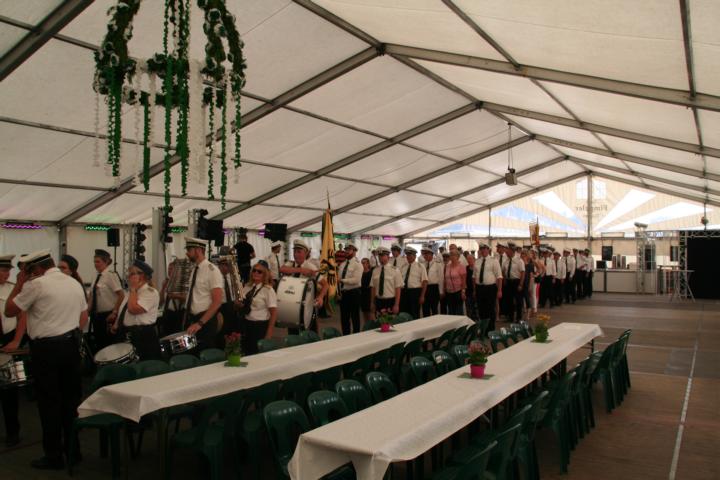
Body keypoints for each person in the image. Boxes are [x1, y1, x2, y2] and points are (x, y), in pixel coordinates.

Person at [4, 250, 88, 470]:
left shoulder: (37, 285)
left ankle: (53, 456)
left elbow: (10, 310)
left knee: (49, 403)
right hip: (70, 346)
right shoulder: (73, 283)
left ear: (36, 268)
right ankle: (74, 451)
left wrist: (19, 284)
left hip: (47, 350)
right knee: (71, 402)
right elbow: (83, 314)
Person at [110, 260, 161, 361]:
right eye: (130, 274)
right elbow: (123, 310)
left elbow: (132, 309)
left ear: (142, 276)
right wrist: (117, 324)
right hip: (128, 333)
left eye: (132, 274)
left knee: (144, 364)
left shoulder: (150, 292)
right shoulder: (131, 292)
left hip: (143, 335)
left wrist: (133, 289)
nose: (129, 277)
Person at [0, 254, 26, 448]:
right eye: (3, 271)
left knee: (10, 389)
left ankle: (13, 432)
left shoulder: (13, 289)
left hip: (8, 339)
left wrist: (17, 340)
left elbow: (22, 316)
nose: (6, 274)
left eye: (8, 271)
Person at [184, 238, 224, 351]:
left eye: (189, 250)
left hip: (205, 321)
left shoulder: (212, 271)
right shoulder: (195, 269)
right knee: (192, 354)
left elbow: (217, 302)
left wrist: (200, 323)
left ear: (198, 250)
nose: (187, 253)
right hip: (192, 318)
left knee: (204, 353)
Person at [280, 240, 327, 333]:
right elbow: (282, 269)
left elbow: (325, 284)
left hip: (307, 306)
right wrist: (301, 270)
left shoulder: (311, 266)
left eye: (299, 252)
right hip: (292, 305)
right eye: (294, 251)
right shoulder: (290, 264)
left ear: (306, 253)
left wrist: (320, 297)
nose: (296, 254)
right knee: (293, 333)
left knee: (310, 333)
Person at [87, 249, 124, 353]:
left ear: (106, 262)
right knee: (99, 344)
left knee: (108, 344)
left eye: (98, 261)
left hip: (108, 315)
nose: (95, 264)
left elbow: (121, 295)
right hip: (97, 315)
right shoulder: (96, 275)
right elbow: (92, 295)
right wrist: (87, 311)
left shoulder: (110, 275)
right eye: (94, 262)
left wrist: (114, 312)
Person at [239, 260, 277, 355]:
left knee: (257, 354)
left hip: (260, 327)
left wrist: (269, 333)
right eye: (254, 270)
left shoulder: (268, 290)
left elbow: (274, 313)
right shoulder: (247, 287)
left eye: (259, 272)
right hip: (246, 324)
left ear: (264, 275)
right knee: (246, 353)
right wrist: (238, 304)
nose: (256, 273)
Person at [474, 243, 502, 333]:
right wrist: (474, 290)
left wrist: (499, 290)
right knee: (481, 310)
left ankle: (491, 330)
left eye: (484, 249)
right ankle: (483, 329)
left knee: (490, 309)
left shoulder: (494, 261)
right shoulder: (477, 261)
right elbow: (474, 277)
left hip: (490, 288)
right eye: (481, 249)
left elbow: (499, 277)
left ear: (488, 250)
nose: (483, 250)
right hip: (479, 288)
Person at [370, 246, 403, 317]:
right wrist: (372, 302)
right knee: (379, 321)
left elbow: (398, 289)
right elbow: (373, 288)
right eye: (379, 255)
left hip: (390, 301)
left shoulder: (395, 270)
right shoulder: (375, 270)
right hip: (378, 301)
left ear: (388, 256)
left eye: (382, 255)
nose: (380, 257)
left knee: (390, 322)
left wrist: (396, 304)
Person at [337, 243, 363, 335]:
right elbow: (338, 279)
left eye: (349, 250)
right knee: (344, 318)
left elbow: (356, 280)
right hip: (343, 294)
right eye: (346, 250)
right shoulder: (342, 264)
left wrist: (342, 281)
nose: (347, 252)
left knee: (355, 317)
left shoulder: (358, 264)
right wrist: (338, 292)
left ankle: (356, 337)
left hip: (354, 293)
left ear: (354, 251)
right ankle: (345, 336)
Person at [399, 246, 427, 320]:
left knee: (414, 313)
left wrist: (422, 296)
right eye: (407, 255)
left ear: (415, 256)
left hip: (415, 292)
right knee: (404, 313)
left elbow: (424, 282)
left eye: (410, 255)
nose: (408, 257)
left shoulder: (420, 266)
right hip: (404, 292)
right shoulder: (403, 267)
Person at [159, 259, 186, 336]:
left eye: (171, 269)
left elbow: (187, 298)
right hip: (167, 314)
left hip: (177, 315)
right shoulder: (166, 282)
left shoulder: (181, 283)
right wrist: (163, 288)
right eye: (168, 269)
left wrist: (175, 296)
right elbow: (161, 302)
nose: (169, 271)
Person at [421, 245, 443, 317]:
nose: (425, 256)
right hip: (424, 288)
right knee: (425, 309)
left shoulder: (437, 264)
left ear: (432, 255)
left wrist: (441, 291)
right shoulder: (422, 265)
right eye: (424, 254)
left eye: (427, 254)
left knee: (434, 309)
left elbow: (441, 279)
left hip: (434, 288)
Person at [443, 250, 466, 315]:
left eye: (454, 255)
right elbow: (445, 279)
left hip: (458, 292)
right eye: (451, 255)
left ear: (458, 257)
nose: (452, 256)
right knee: (450, 311)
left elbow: (464, 281)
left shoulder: (461, 266)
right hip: (449, 292)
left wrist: (463, 292)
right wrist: (444, 289)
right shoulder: (447, 266)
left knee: (459, 311)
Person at [360, 258, 374, 326]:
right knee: (364, 313)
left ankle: (372, 326)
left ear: (368, 264)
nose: (363, 264)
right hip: (362, 295)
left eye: (364, 263)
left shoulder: (371, 273)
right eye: (362, 263)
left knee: (370, 313)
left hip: (369, 294)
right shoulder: (360, 273)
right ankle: (366, 326)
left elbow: (372, 286)